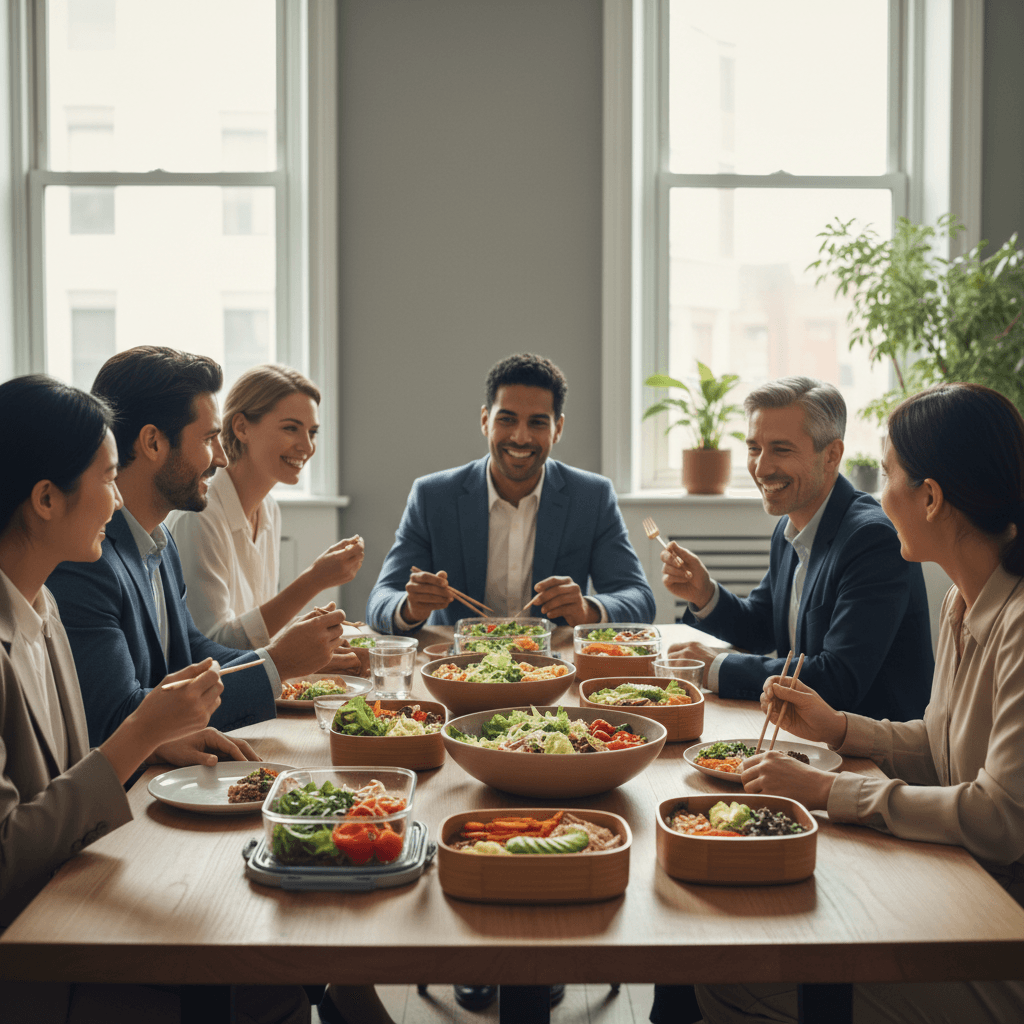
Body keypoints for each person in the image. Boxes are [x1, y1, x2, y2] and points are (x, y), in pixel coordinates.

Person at [693, 382, 1024, 1023]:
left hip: (1000, 927)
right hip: (966, 887)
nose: (878, 497)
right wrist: (840, 728)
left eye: (889, 474)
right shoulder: (963, 600)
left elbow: (1000, 820)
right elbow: (937, 745)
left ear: (930, 497)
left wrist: (828, 793)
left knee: (729, 978)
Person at [0, 374, 290, 1023]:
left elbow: (70, 776)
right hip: (34, 962)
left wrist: (156, 739)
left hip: (74, 903)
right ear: (46, 498)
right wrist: (138, 736)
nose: (115, 500)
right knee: (258, 973)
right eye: (106, 479)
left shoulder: (40, 608)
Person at [46, 347, 359, 749]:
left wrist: (283, 660)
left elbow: (193, 652)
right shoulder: (88, 560)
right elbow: (117, 720)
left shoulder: (160, 540)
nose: (223, 458)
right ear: (153, 442)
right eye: (210, 438)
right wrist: (277, 663)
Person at [658, 376, 933, 721]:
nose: (760, 467)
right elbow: (761, 626)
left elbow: (837, 679)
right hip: (808, 737)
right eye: (754, 448)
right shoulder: (791, 527)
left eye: (781, 449)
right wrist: (705, 593)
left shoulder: (873, 538)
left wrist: (717, 667)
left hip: (871, 756)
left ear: (832, 455)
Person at [366, 352, 655, 633]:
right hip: (457, 668)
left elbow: (639, 598)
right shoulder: (433, 496)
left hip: (552, 667)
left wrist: (586, 609)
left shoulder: (592, 497)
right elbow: (380, 600)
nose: (520, 437)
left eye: (537, 423)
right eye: (506, 419)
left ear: (558, 429)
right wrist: (409, 608)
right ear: (484, 421)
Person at [168, 364, 364, 649]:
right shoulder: (201, 515)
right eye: (290, 428)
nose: (307, 446)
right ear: (242, 427)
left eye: (312, 432)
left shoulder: (268, 509)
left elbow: (257, 628)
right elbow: (212, 646)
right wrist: (311, 581)